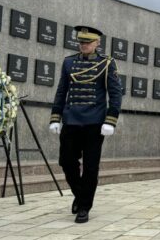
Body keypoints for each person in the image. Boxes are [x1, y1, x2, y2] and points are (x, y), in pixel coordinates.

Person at [49, 25, 122, 224]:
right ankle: (80, 194)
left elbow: (115, 94)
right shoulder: (68, 62)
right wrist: (55, 117)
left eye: (88, 42)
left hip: (94, 123)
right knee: (66, 161)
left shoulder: (107, 63)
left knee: (90, 167)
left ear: (97, 43)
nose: (83, 45)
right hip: (71, 120)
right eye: (81, 42)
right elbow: (61, 91)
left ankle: (84, 206)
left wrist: (110, 120)